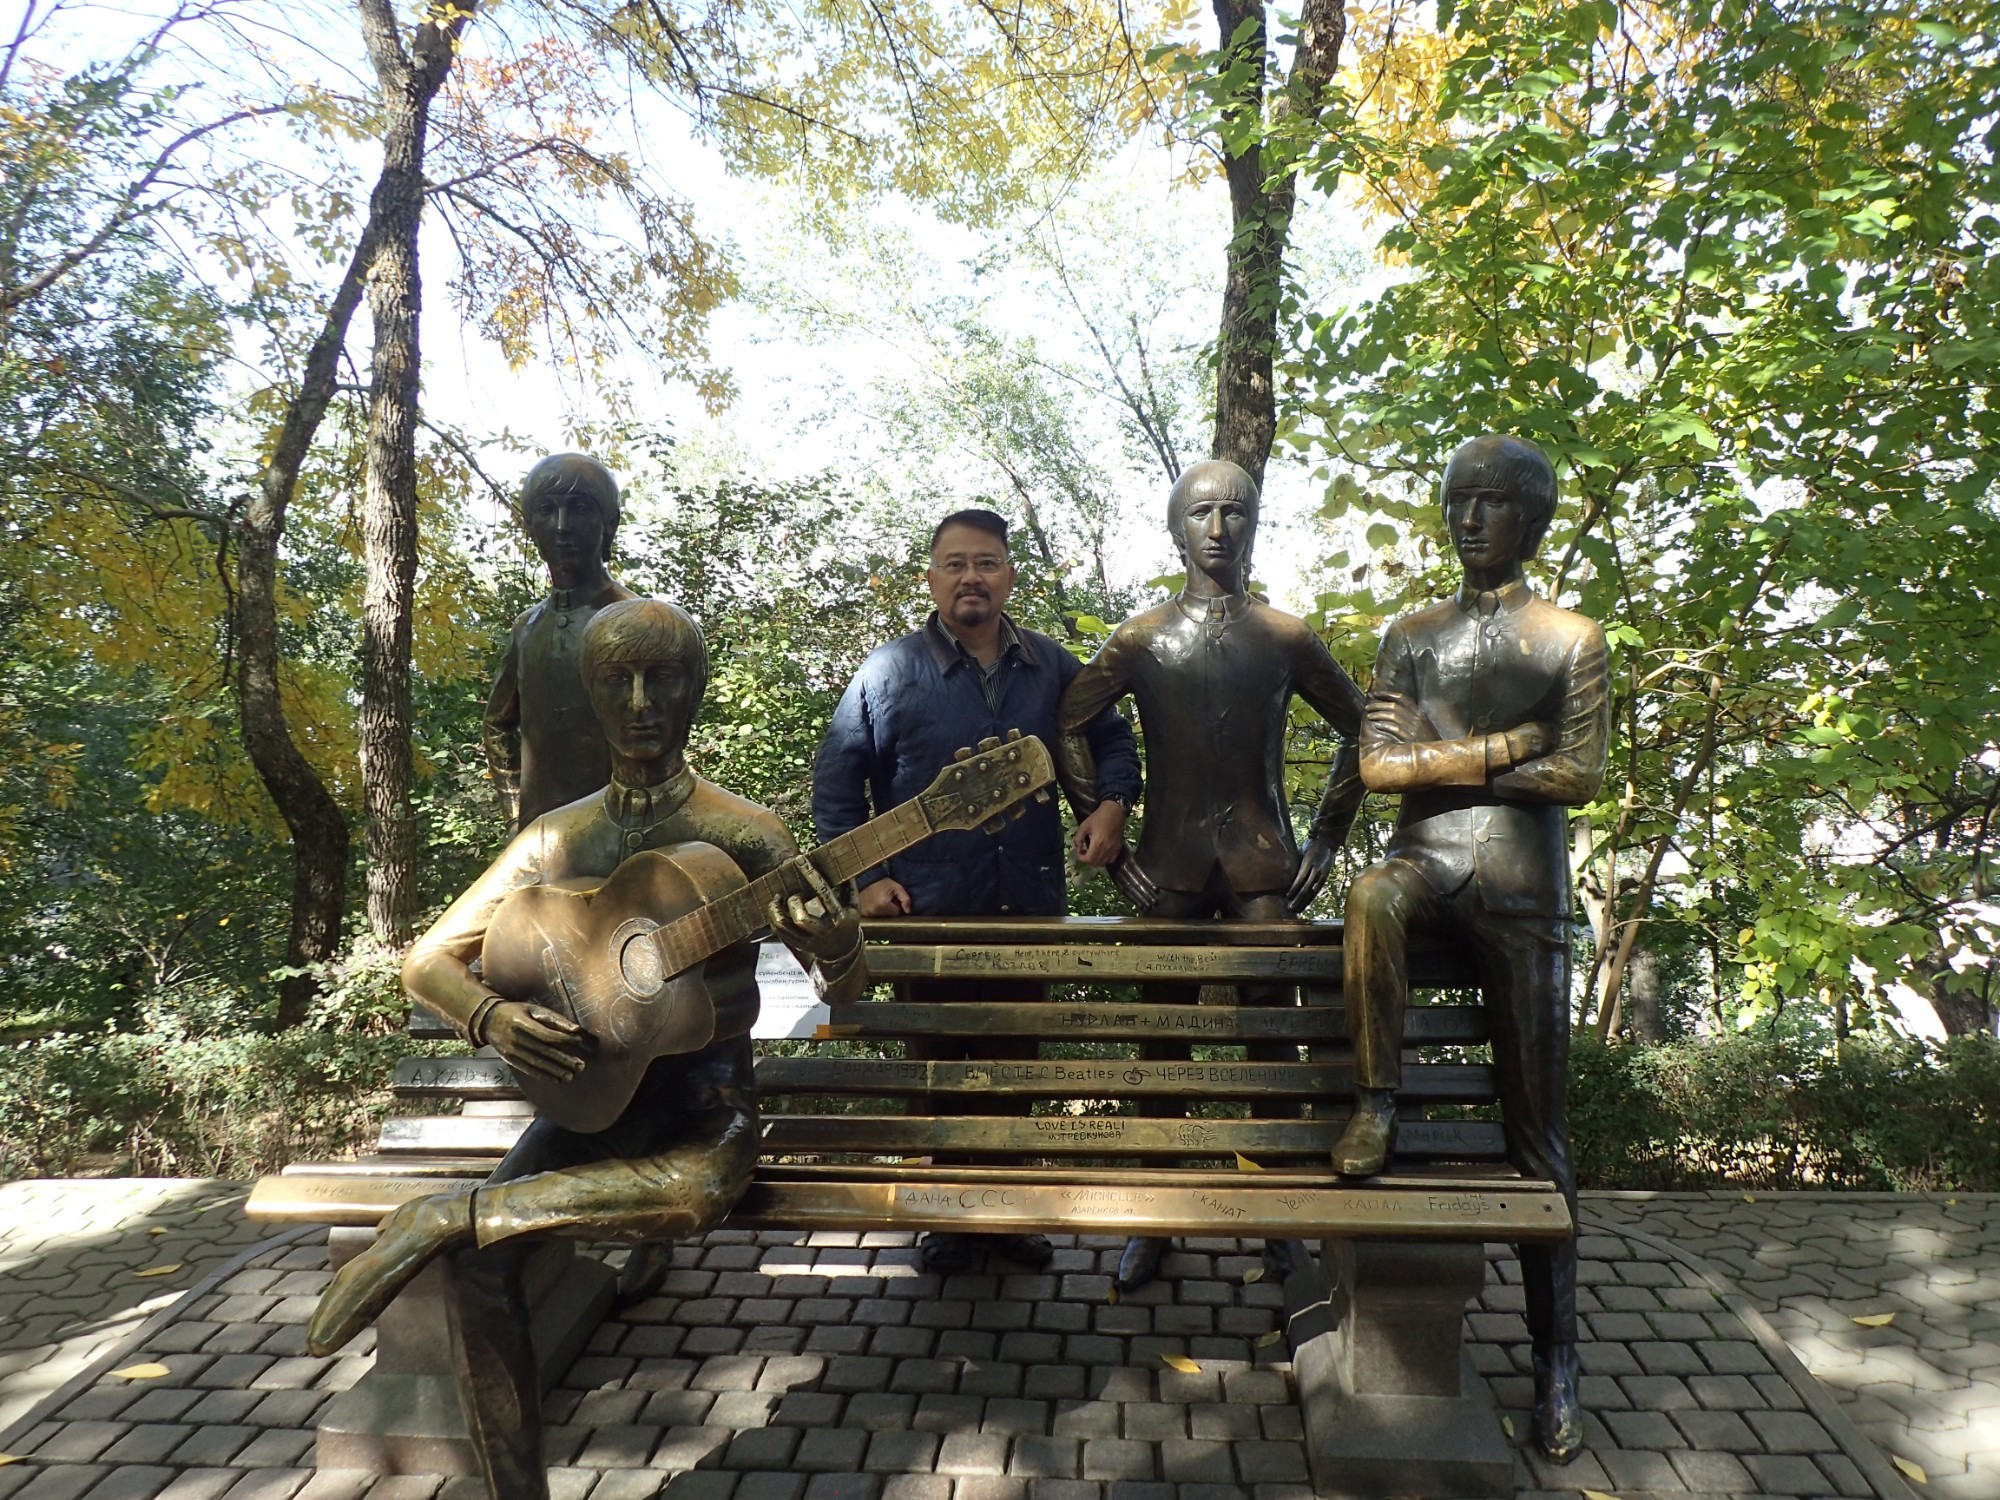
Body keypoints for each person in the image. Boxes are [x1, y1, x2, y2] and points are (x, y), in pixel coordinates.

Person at [308, 599, 868, 1500]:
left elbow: (843, 990)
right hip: (588, 1108)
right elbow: (427, 962)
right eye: (617, 680)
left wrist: (838, 944)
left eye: (665, 678)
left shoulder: (746, 834)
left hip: (703, 1116)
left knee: (690, 1197)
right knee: (483, 1276)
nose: (641, 700)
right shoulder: (556, 837)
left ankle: (449, 1214)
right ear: (592, 693)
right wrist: (491, 1017)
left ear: (696, 691)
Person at [1328, 434, 1609, 1463]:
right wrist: (1503, 748)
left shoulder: (1570, 639)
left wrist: (1437, 765)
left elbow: (1577, 776)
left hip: (1523, 890)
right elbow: (1374, 767)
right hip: (1423, 867)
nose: (1467, 517)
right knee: (1367, 899)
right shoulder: (1410, 633)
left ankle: (1555, 1362)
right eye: (1455, 499)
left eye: (1490, 502)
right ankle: (1376, 1102)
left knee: (1540, 1140)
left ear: (1528, 517)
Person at [1056, 458, 1366, 1293]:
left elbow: (1362, 731)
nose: (1219, 528)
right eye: (1203, 513)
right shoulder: (1142, 636)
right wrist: (1108, 844)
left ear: (1255, 524)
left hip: (1265, 865)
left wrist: (1327, 840)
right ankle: (1155, 1215)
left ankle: (1281, 1219)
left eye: (1236, 512)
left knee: (1273, 1046)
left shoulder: (1285, 636)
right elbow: (1070, 724)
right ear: (1176, 527)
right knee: (1161, 1050)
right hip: (1164, 867)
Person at [812, 508, 1142, 1275]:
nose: (971, 578)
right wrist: (866, 876)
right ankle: (948, 1221)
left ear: (1008, 576)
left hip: (1027, 903)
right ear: (930, 578)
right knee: (938, 1064)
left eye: (986, 563)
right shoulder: (888, 672)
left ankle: (1007, 1215)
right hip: (927, 909)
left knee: (1016, 1060)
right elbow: (837, 784)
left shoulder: (1053, 667)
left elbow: (1112, 737)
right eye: (955, 563)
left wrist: (1111, 804)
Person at [483, 452, 636, 832]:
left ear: (609, 523)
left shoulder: (636, 619)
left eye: (580, 509)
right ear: (531, 525)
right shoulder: (527, 628)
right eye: (547, 510)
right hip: (539, 837)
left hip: (622, 834)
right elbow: (498, 723)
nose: (562, 526)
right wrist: (517, 814)